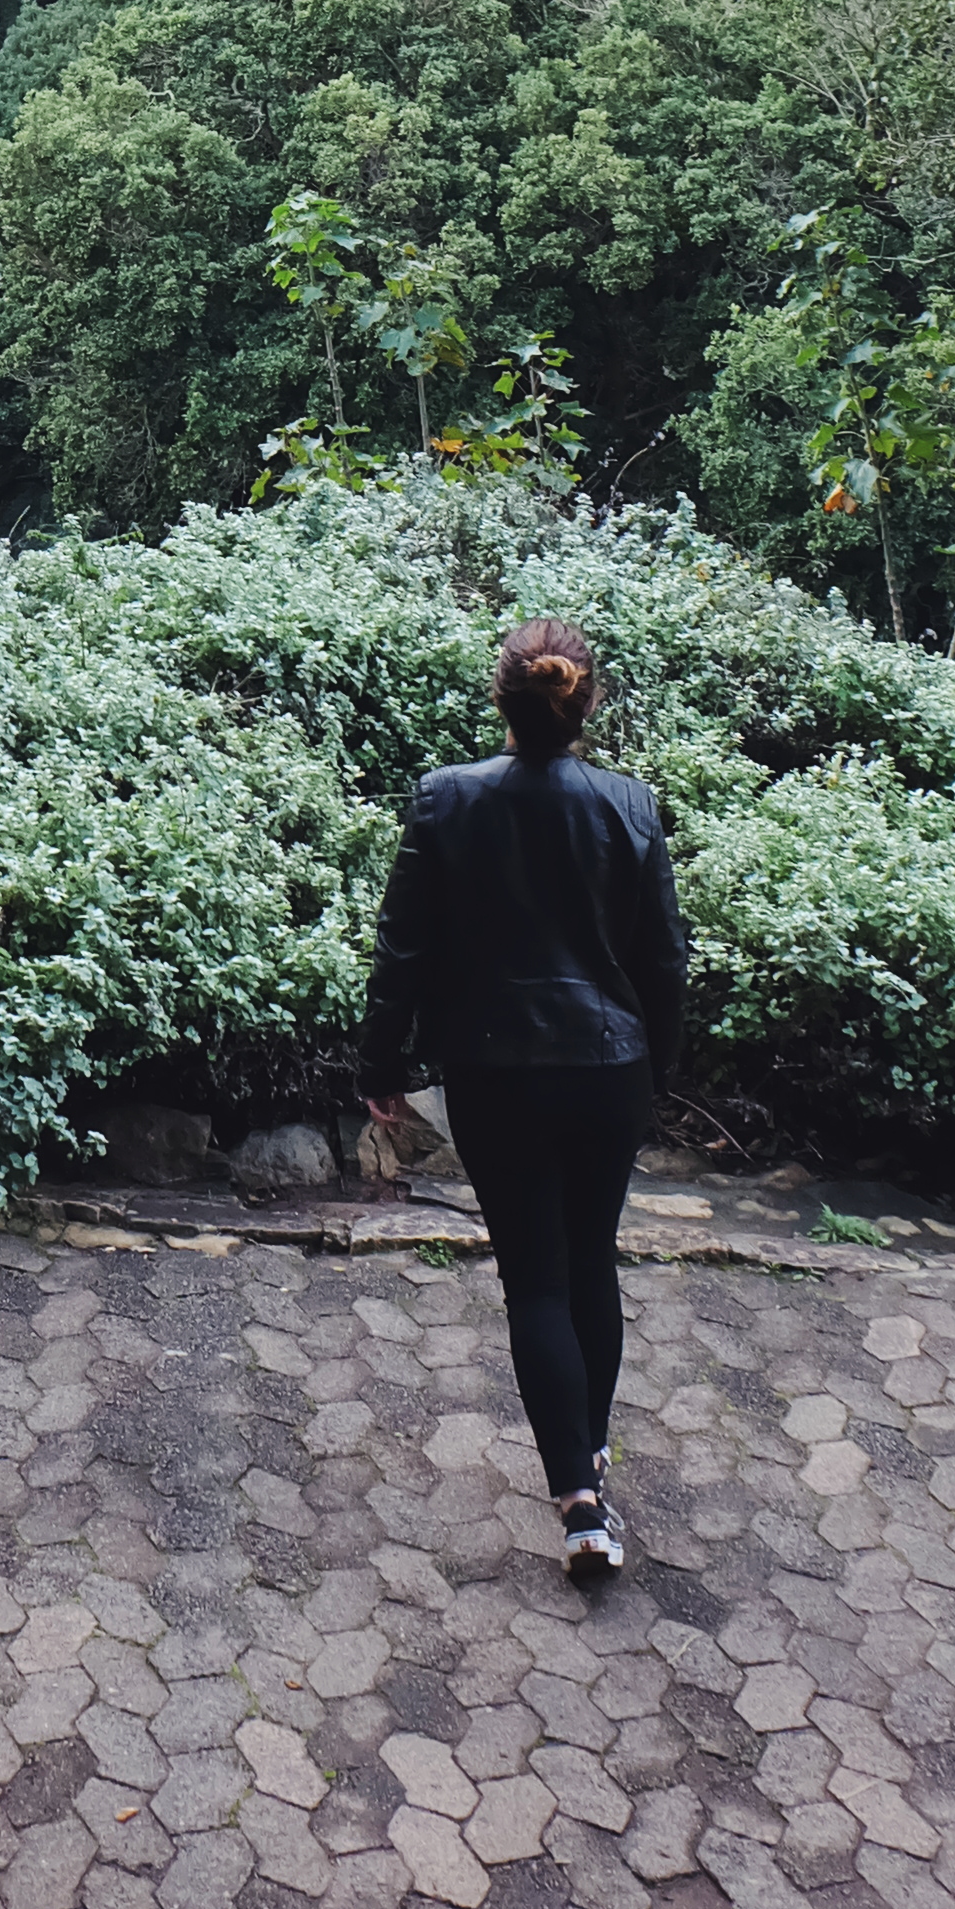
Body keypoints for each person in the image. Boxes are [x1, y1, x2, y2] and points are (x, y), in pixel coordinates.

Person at [360, 613, 688, 1580]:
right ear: (587, 701)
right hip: (609, 1070)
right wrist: (655, 1075)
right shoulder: (630, 806)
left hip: (496, 1073)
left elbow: (403, 950)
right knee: (590, 1267)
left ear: (500, 698)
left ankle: (580, 1501)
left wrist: (380, 1067)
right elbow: (663, 963)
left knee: (535, 1280)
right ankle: (589, 1466)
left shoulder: (444, 801)